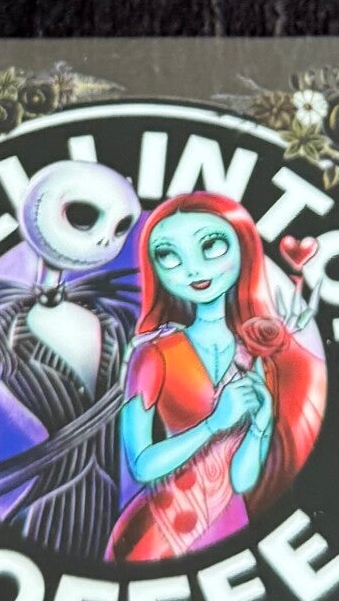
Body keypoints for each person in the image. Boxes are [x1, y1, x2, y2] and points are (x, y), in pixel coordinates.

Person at [105, 193, 323, 564]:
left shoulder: (257, 353)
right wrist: (213, 425)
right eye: (169, 255)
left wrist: (261, 427)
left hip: (230, 527)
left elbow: (242, 480)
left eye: (211, 246)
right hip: (163, 528)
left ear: (244, 247)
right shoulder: (153, 354)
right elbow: (141, 465)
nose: (193, 270)